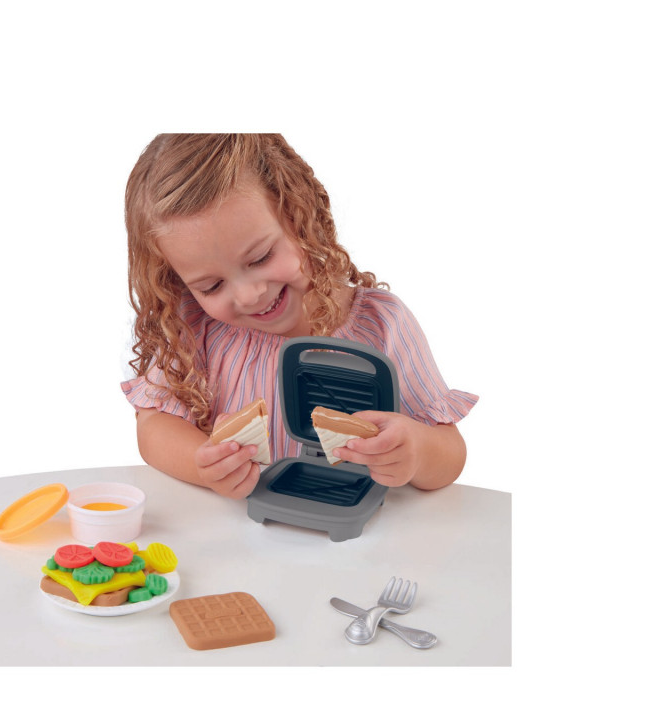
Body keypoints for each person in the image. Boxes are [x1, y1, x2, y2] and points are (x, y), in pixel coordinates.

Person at [121, 134, 477, 499]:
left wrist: (415, 450)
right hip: (239, 530)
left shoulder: (383, 326)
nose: (248, 295)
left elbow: (450, 452)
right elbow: (153, 427)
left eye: (260, 258)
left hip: (352, 526)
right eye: (211, 286)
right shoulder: (195, 326)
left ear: (297, 213)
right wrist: (203, 464)